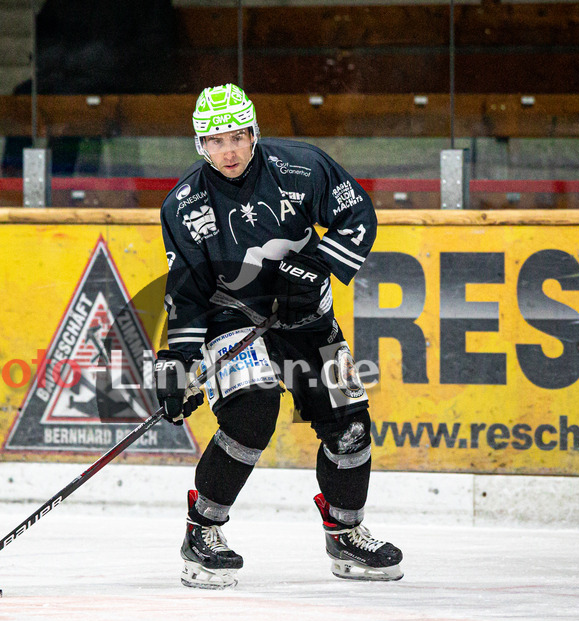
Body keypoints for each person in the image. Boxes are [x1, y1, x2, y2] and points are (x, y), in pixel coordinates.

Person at [154, 83, 403, 589]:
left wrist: (314, 268)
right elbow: (188, 290)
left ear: (254, 134)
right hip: (233, 318)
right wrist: (176, 361)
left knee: (350, 425)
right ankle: (202, 531)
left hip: (309, 316)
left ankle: (345, 532)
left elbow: (357, 216)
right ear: (200, 144)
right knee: (251, 412)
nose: (228, 150)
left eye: (238, 137)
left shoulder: (302, 167)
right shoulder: (184, 207)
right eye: (215, 140)